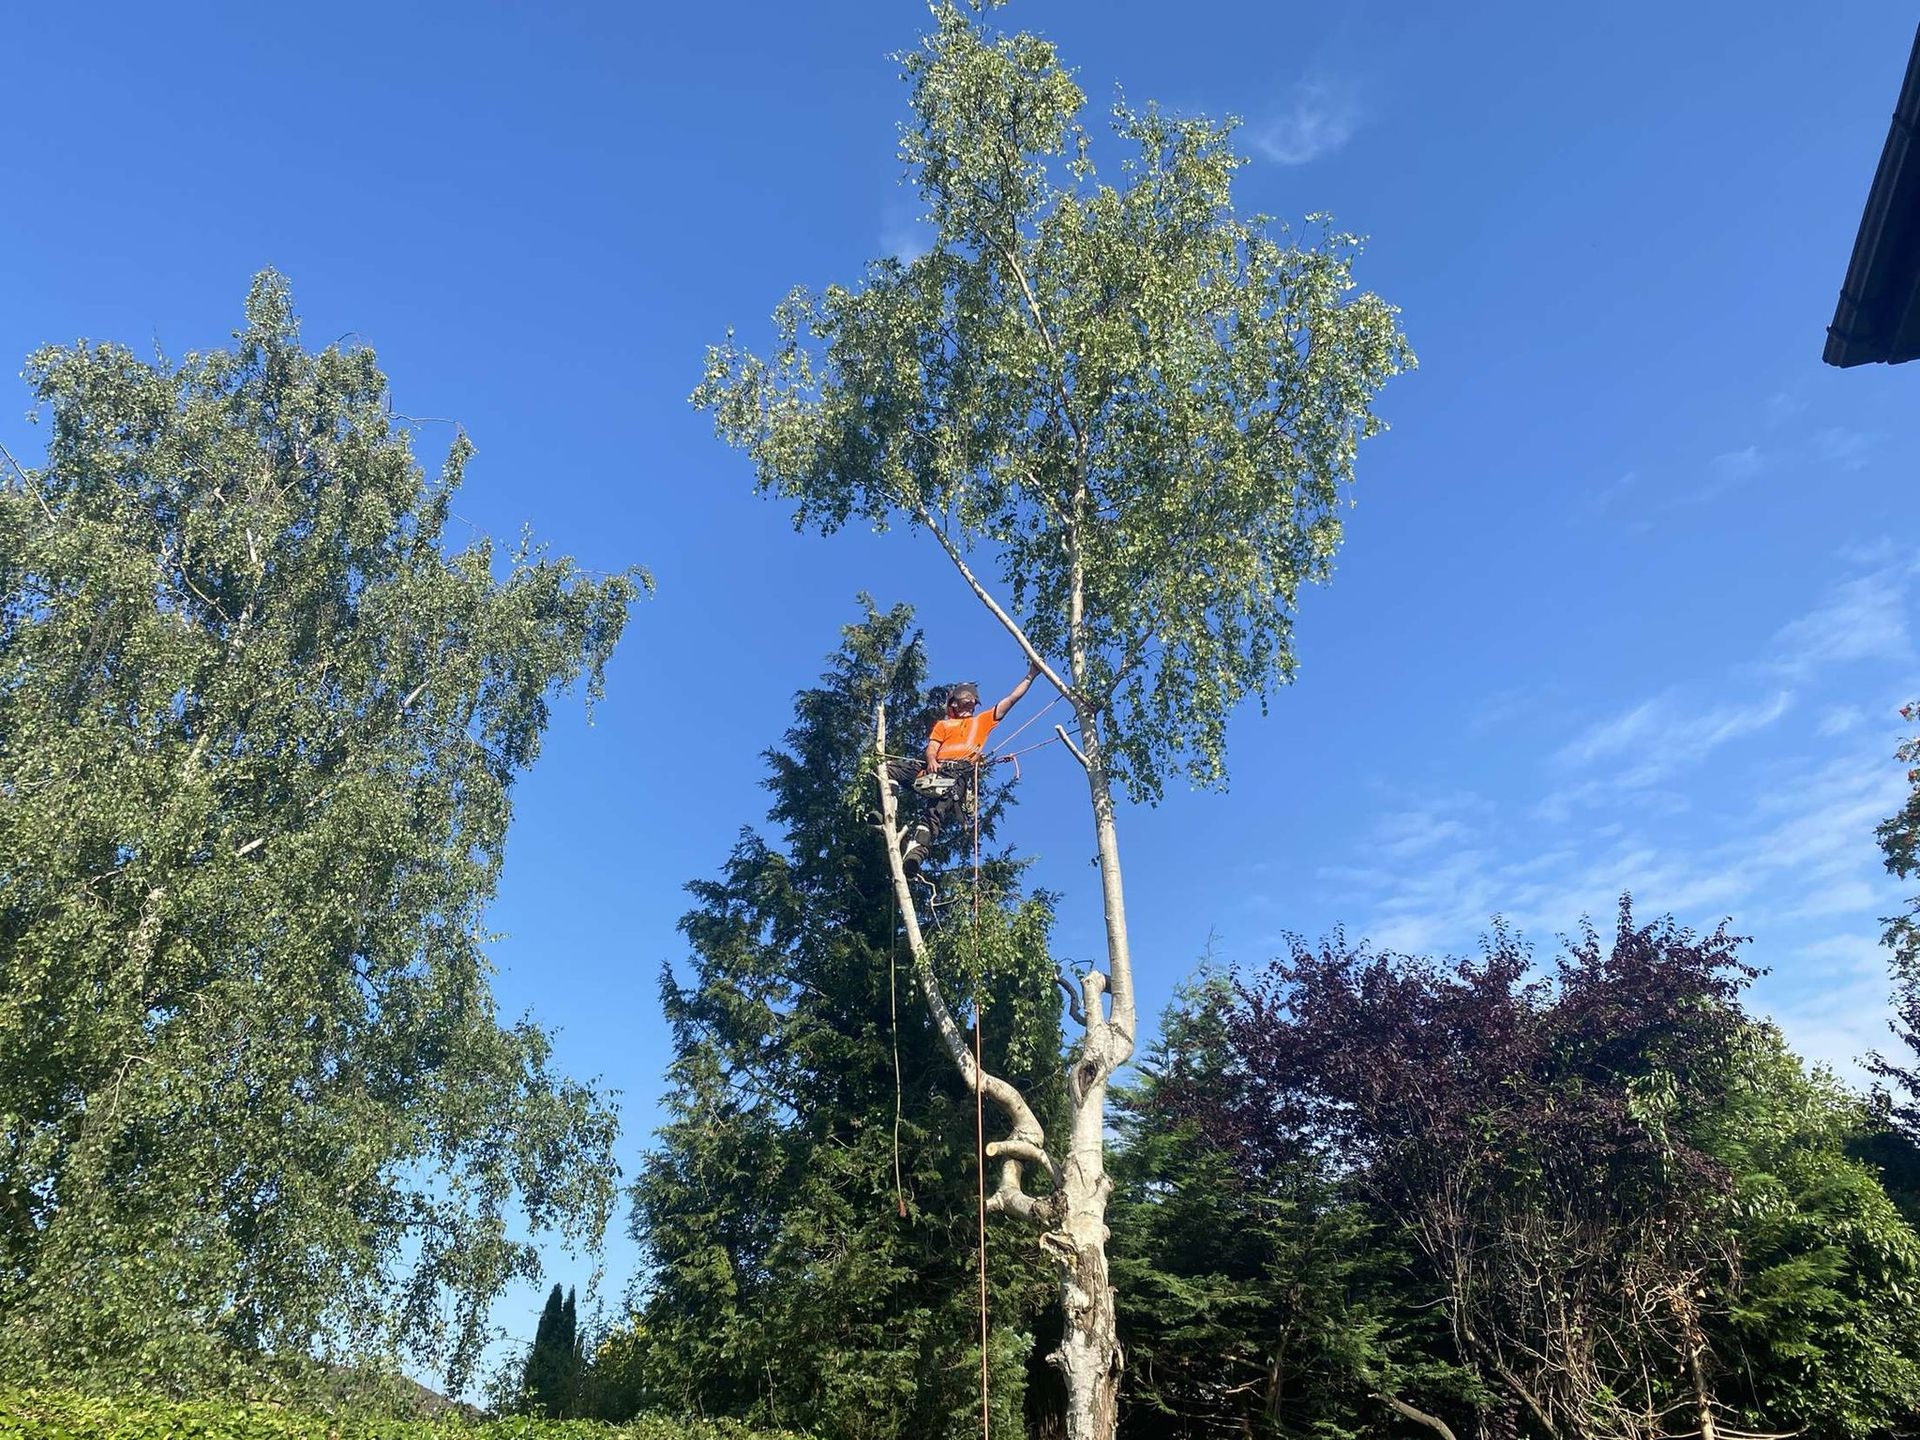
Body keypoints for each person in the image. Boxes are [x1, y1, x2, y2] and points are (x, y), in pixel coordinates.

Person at [894, 658, 1043, 876]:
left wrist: (1031, 675)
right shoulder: (943, 725)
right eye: (965, 701)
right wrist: (932, 760)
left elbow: (1011, 700)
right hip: (934, 769)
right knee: (892, 768)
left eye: (972, 701)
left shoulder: (981, 721)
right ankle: (885, 809)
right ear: (954, 704)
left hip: (956, 774)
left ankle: (915, 855)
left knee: (935, 811)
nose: (969, 704)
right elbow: (932, 747)